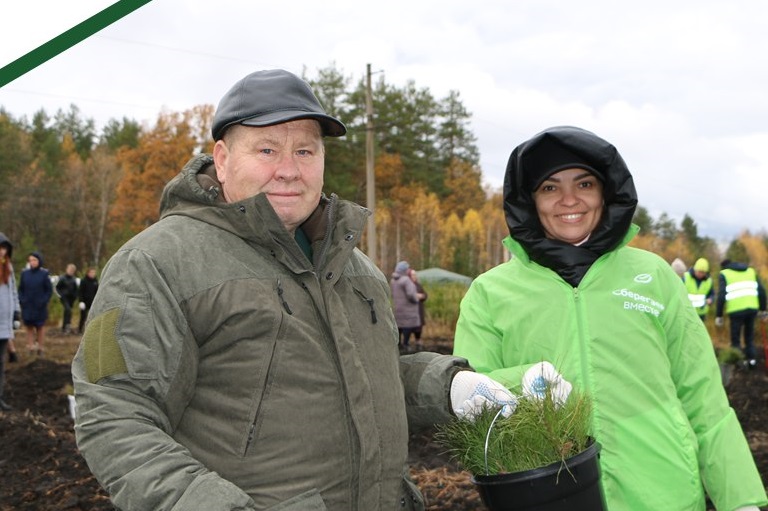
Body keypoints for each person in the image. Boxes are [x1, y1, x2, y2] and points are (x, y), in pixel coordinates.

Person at [71, 68, 515, 511]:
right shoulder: (156, 263)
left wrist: (449, 386)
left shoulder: (354, 268)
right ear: (222, 160)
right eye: (267, 149)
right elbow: (114, 413)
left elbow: (361, 378)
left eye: (305, 150)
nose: (289, 170)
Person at [452, 126, 766, 511]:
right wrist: (523, 382)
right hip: (551, 497)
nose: (569, 199)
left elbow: (703, 396)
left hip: (663, 491)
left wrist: (740, 498)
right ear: (529, 201)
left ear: (606, 192)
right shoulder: (490, 293)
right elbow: (471, 396)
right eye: (550, 187)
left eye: (584, 184)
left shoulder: (653, 276)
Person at [715, 258, 767, 368]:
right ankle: (751, 361)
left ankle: (739, 362)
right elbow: (762, 291)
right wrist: (763, 310)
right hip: (752, 309)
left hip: (736, 310)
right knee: (749, 336)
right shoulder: (750, 271)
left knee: (736, 338)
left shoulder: (724, 273)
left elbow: (721, 295)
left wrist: (719, 315)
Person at [0, 233, 21, 411]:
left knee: (1, 362)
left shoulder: (8, 268)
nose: (2, 251)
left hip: (4, 324)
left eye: (4, 248)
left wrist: (16, 312)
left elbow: (13, 291)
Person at [18, 251, 52, 357]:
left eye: (34, 260)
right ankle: (30, 347)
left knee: (40, 327)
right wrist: (22, 300)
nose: (32, 262)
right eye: (30, 260)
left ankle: (40, 348)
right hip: (27, 305)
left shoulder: (44, 274)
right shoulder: (25, 274)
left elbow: (49, 290)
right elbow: (21, 289)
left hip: (40, 305)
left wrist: (44, 300)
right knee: (29, 327)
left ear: (39, 261)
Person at [390, 260, 422, 350]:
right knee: (407, 326)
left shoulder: (393, 280)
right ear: (404, 270)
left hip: (398, 307)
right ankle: (406, 344)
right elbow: (411, 294)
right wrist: (417, 299)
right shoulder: (406, 280)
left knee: (399, 326)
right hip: (408, 309)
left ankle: (398, 344)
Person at [684, 257, 714, 321]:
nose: (701, 274)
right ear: (695, 269)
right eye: (699, 272)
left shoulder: (709, 281)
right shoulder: (686, 277)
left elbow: (712, 293)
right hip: (688, 312)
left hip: (702, 314)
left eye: (703, 272)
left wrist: (711, 299)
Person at [55, 263, 79, 334]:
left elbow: (76, 289)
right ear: (67, 269)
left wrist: (75, 296)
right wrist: (60, 295)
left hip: (71, 298)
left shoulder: (74, 279)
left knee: (68, 312)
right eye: (70, 270)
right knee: (68, 310)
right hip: (64, 297)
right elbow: (57, 288)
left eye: (72, 270)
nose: (71, 271)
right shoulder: (62, 278)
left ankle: (66, 326)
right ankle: (66, 325)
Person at [409, 268, 428, 347]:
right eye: (413, 275)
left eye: (415, 275)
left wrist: (422, 296)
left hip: (419, 309)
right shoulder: (407, 285)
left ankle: (418, 340)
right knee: (409, 326)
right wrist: (415, 296)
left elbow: (425, 295)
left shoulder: (418, 285)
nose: (414, 276)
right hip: (410, 310)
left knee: (419, 327)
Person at [76, 267, 98, 334]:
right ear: (88, 273)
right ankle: (80, 330)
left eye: (94, 273)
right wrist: (81, 301)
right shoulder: (84, 281)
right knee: (83, 316)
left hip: (93, 302)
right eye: (91, 272)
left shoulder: (95, 281)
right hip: (84, 302)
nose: (93, 274)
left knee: (93, 316)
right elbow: (80, 292)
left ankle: (92, 330)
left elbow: (97, 292)